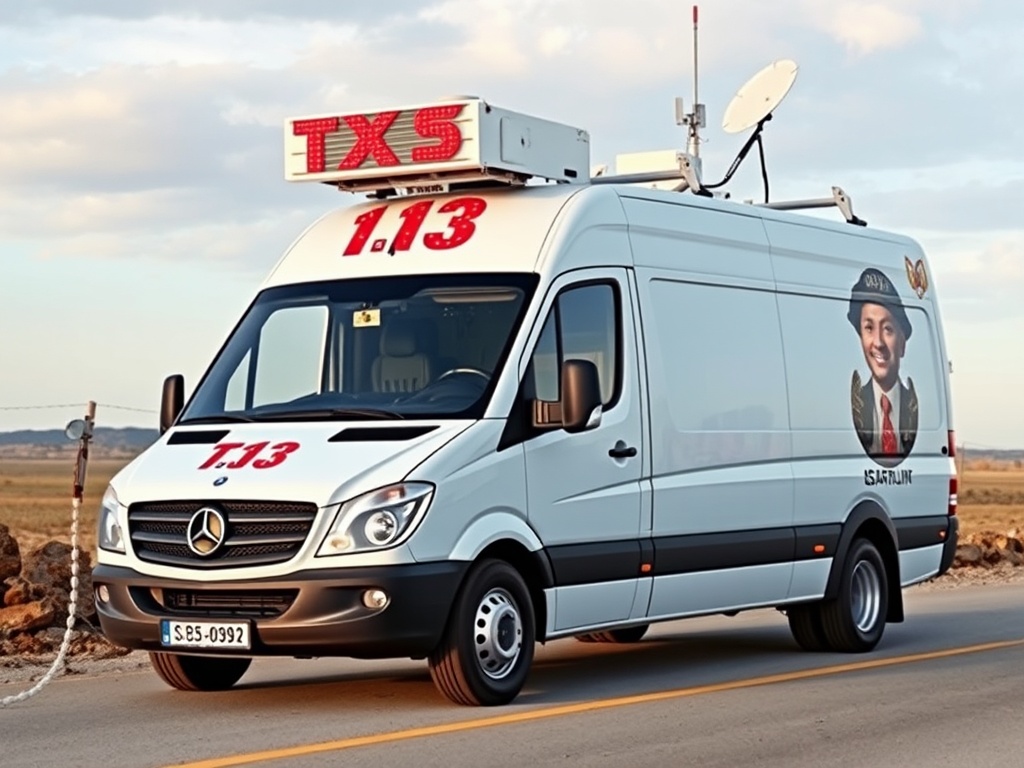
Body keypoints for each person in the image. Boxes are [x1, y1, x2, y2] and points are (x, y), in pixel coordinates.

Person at [848, 268, 918, 461]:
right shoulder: (855, 406)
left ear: (902, 343)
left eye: (887, 329)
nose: (878, 342)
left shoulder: (913, 407)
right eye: (869, 328)